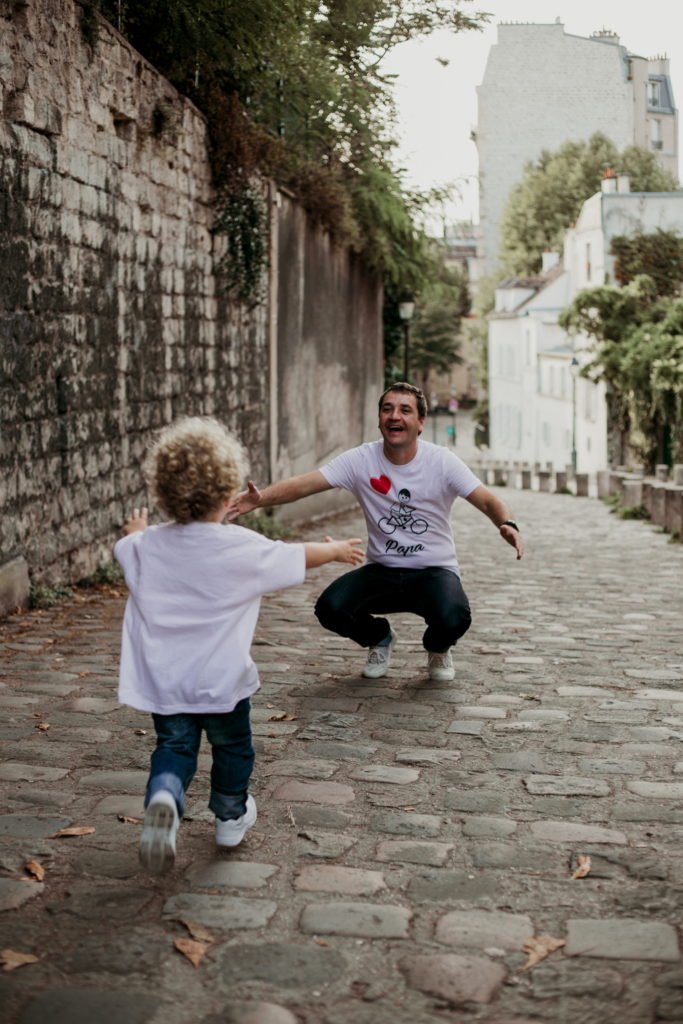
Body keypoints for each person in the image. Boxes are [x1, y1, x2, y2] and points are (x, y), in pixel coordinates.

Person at [114, 416, 363, 874]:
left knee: (174, 748)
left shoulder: (146, 547)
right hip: (223, 683)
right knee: (233, 749)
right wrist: (334, 550)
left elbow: (128, 547)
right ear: (228, 493)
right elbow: (293, 555)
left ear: (164, 492)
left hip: (167, 683)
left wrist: (135, 530)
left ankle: (165, 797)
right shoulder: (242, 548)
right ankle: (229, 818)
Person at [228, 382, 523, 683]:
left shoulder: (442, 462)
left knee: (454, 618)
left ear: (421, 422)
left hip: (434, 571)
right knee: (330, 608)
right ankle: (380, 637)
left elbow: (487, 499)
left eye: (405, 410)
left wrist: (506, 523)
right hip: (381, 570)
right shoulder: (361, 460)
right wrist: (260, 498)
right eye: (387, 409)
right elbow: (304, 484)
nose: (394, 416)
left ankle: (437, 647)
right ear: (379, 419)